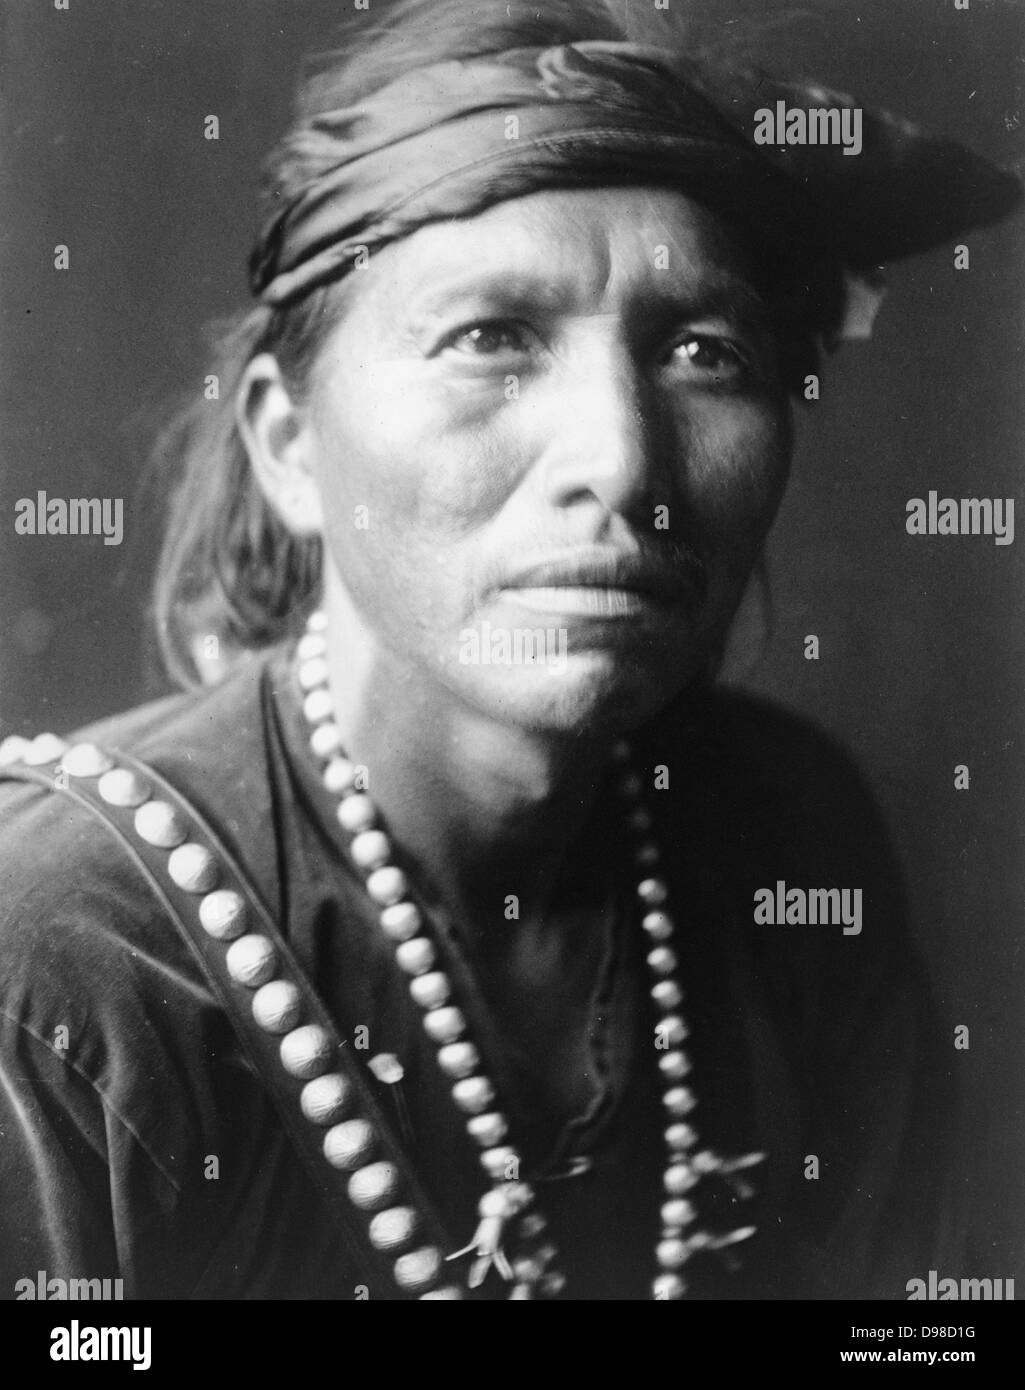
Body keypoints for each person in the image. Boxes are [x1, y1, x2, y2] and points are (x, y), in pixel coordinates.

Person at [0, 0, 1019, 1302]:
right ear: (288, 443)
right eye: (490, 338)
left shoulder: (790, 836)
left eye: (705, 351)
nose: (621, 457)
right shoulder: (58, 968)